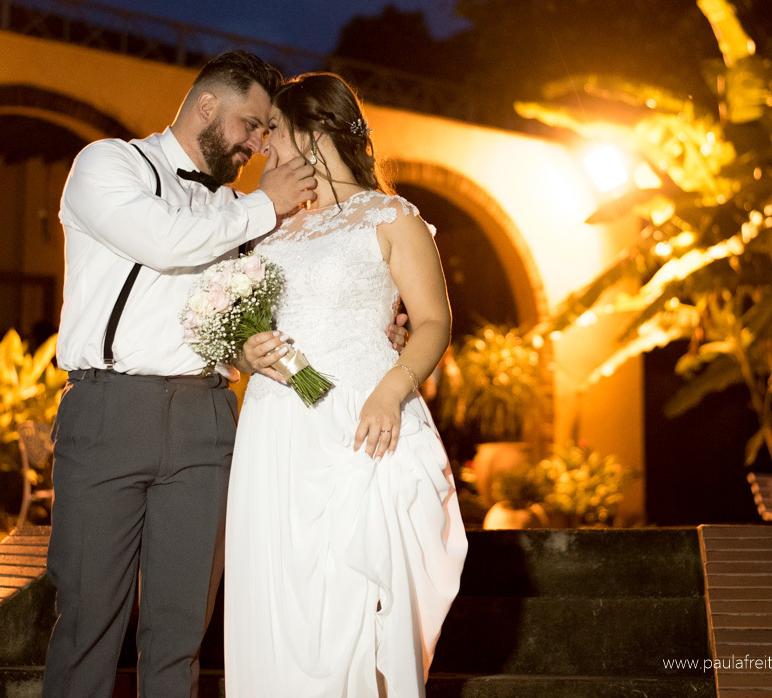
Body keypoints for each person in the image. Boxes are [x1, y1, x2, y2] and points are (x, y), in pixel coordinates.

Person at [44, 50, 312, 698]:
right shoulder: (110, 164)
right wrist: (261, 207)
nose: (255, 143)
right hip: (111, 411)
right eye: (251, 124)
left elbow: (268, 302)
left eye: (264, 132)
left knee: (181, 627)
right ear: (207, 106)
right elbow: (163, 239)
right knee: (88, 619)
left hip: (207, 419)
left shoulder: (233, 208)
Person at [228, 73, 468, 697]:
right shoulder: (268, 225)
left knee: (354, 590)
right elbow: (240, 321)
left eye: (274, 129)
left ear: (313, 132)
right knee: (277, 583)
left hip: (361, 422)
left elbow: (435, 321)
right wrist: (247, 353)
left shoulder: (391, 216)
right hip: (277, 426)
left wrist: (391, 391)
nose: (263, 146)